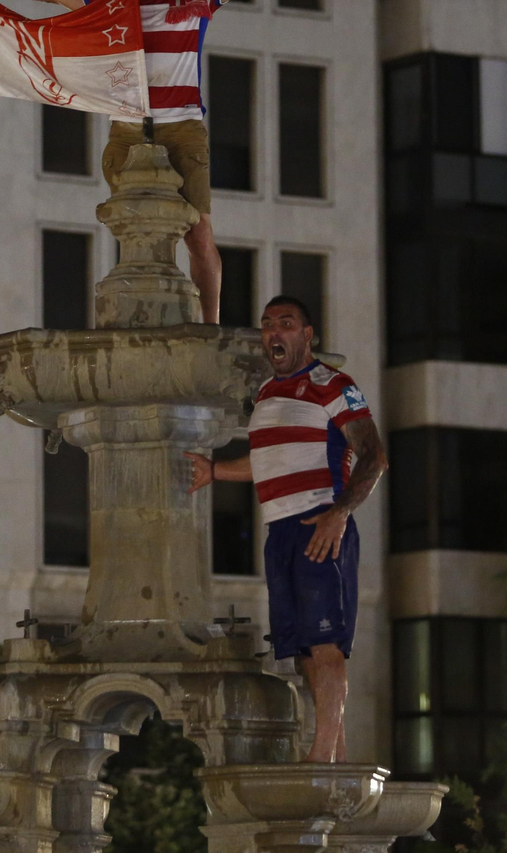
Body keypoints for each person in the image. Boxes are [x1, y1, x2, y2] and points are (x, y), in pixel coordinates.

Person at [0, 0, 370, 323]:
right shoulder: (112, 0)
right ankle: (136, 315)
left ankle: (209, 326)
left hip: (183, 129)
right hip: (129, 130)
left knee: (199, 235)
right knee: (138, 227)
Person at [184, 296, 387, 762]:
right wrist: (214, 472)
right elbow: (266, 463)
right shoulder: (268, 394)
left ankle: (320, 757)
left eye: (286, 323)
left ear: (307, 334)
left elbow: (375, 457)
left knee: (325, 641)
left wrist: (339, 515)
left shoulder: (332, 385)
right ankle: (332, 752)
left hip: (319, 521)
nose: (275, 332)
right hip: (279, 531)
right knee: (300, 650)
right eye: (268, 324)